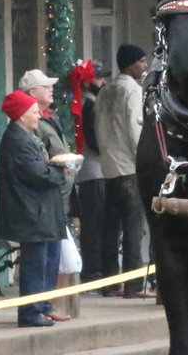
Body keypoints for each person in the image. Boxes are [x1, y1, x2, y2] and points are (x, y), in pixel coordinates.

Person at [0, 90, 69, 327]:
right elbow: (37, 173)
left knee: (48, 262)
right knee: (35, 265)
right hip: (32, 212)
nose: (38, 114)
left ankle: (43, 306)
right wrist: (60, 171)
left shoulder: (27, 137)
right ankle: (30, 312)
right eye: (33, 111)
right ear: (21, 115)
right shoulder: (17, 141)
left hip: (42, 212)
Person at [96, 44, 147, 297]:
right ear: (129, 65)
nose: (145, 65)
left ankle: (109, 282)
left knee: (111, 229)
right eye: (141, 61)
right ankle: (133, 284)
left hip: (109, 166)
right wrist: (145, 160)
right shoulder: (133, 91)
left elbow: (97, 128)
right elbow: (136, 130)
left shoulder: (105, 91)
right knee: (133, 229)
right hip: (130, 166)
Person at [71, 60, 109, 284]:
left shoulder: (86, 102)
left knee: (94, 224)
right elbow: (95, 141)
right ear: (87, 81)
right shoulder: (90, 105)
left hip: (91, 172)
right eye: (100, 77)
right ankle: (93, 270)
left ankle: (94, 269)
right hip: (93, 171)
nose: (104, 81)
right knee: (95, 224)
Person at [19, 69, 74, 213]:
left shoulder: (51, 117)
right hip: (48, 199)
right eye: (45, 86)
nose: (51, 89)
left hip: (60, 194)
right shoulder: (30, 123)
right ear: (32, 92)